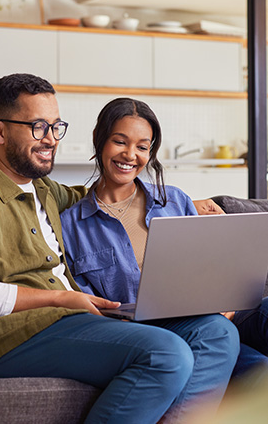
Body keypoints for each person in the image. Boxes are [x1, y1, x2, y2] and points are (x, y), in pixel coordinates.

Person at [0, 74, 240, 424]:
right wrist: (60, 298)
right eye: (38, 127)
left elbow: (104, 198)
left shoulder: (44, 191)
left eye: (56, 126)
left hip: (71, 322)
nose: (51, 140)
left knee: (216, 331)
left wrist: (183, 204)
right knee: (165, 354)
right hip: (9, 337)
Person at [60, 97, 268, 416]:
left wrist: (225, 300)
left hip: (203, 324)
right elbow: (90, 311)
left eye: (143, 147)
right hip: (143, 338)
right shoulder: (72, 225)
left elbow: (211, 267)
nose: (131, 155)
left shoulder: (175, 202)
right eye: (120, 141)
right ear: (99, 140)